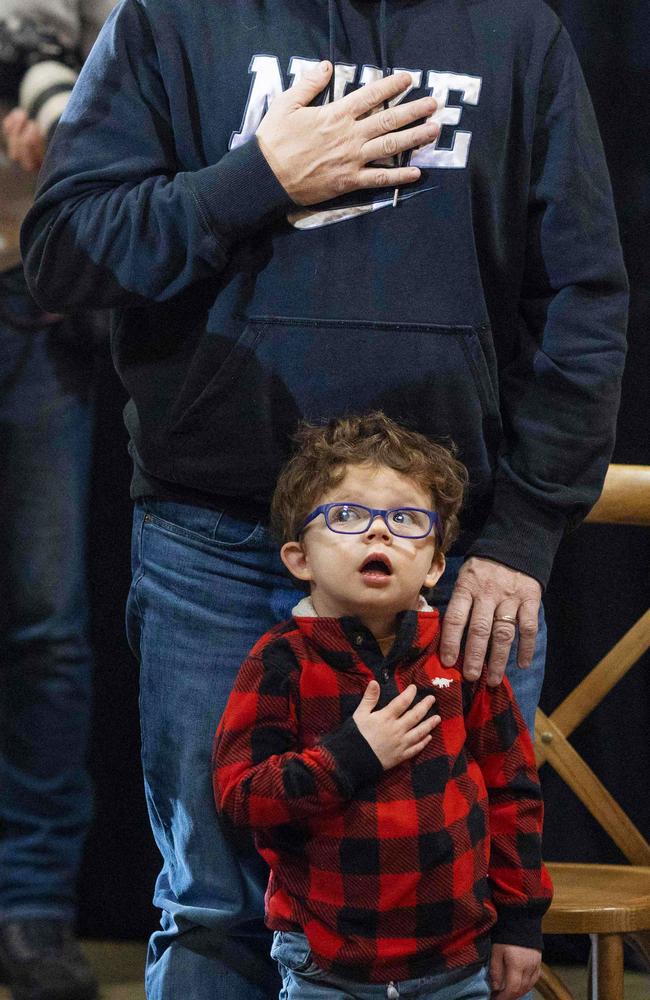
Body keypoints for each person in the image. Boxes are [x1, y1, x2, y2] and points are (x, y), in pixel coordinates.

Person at [19, 1, 627, 996]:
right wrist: (255, 180)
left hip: (446, 566)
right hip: (217, 542)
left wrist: (520, 535)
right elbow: (67, 250)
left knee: (445, 913)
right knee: (215, 911)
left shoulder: (514, 31)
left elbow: (582, 300)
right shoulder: (173, 19)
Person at [213, 411, 553, 1000]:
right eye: (347, 515)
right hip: (324, 963)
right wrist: (349, 756)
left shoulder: (456, 656)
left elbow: (513, 791)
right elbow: (240, 796)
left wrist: (521, 923)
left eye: (406, 519)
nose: (380, 533)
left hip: (456, 962)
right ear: (298, 558)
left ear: (436, 565)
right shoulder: (280, 662)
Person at [0, 2, 114, 998]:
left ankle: (30, 903)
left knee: (46, 625)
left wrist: (78, 146)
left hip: (29, 301)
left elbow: (144, 89)